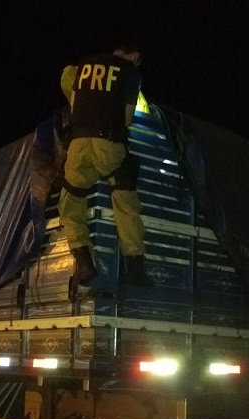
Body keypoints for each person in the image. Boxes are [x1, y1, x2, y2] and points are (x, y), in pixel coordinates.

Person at [58, 43, 152, 287]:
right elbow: (127, 119)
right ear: (134, 54)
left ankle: (84, 262)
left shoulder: (82, 66)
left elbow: (68, 81)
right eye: (138, 60)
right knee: (125, 202)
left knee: (71, 203)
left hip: (78, 147)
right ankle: (135, 267)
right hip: (108, 146)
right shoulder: (130, 72)